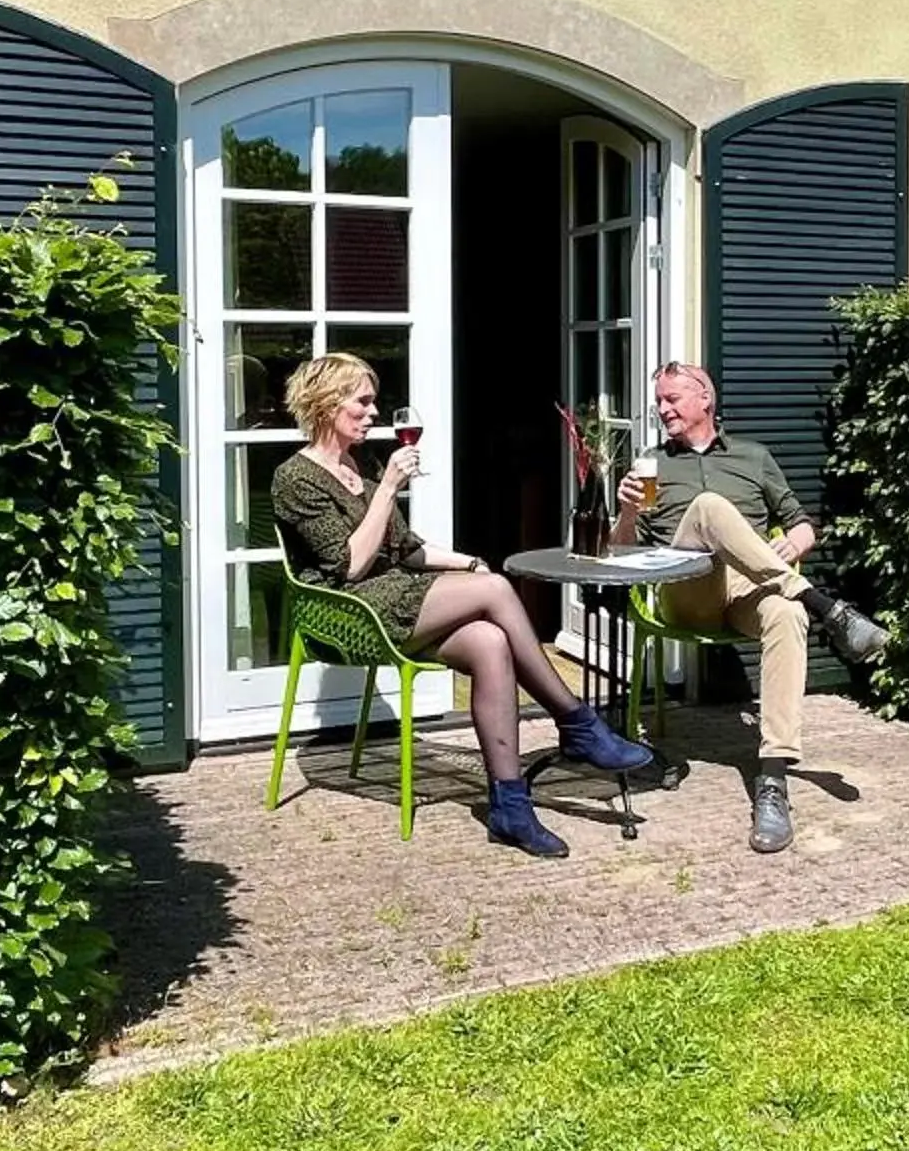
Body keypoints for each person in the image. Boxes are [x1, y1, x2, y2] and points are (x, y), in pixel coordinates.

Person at [270, 352, 653, 859]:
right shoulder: (295, 477)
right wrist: (387, 488)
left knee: (490, 640)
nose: (372, 413)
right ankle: (577, 723)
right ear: (325, 404)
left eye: (372, 403)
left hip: (391, 593)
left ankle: (509, 806)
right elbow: (349, 567)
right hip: (345, 610)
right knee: (495, 590)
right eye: (361, 402)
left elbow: (407, 550)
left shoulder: (355, 470)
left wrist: (468, 561)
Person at [609, 360, 890, 856]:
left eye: (672, 399)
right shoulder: (651, 464)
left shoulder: (754, 457)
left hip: (749, 588)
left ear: (705, 400)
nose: (662, 409)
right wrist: (628, 511)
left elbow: (801, 524)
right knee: (710, 508)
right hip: (685, 588)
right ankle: (828, 606)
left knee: (787, 614)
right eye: (659, 402)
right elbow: (620, 554)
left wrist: (794, 547)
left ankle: (774, 778)